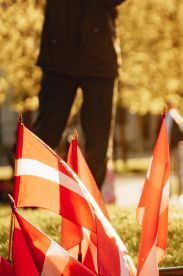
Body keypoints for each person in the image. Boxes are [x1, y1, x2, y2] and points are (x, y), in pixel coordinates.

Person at [31, 0, 127, 189]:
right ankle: (32, 196)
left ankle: (91, 202)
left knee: (98, 140)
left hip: (100, 55)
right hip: (58, 52)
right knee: (46, 132)